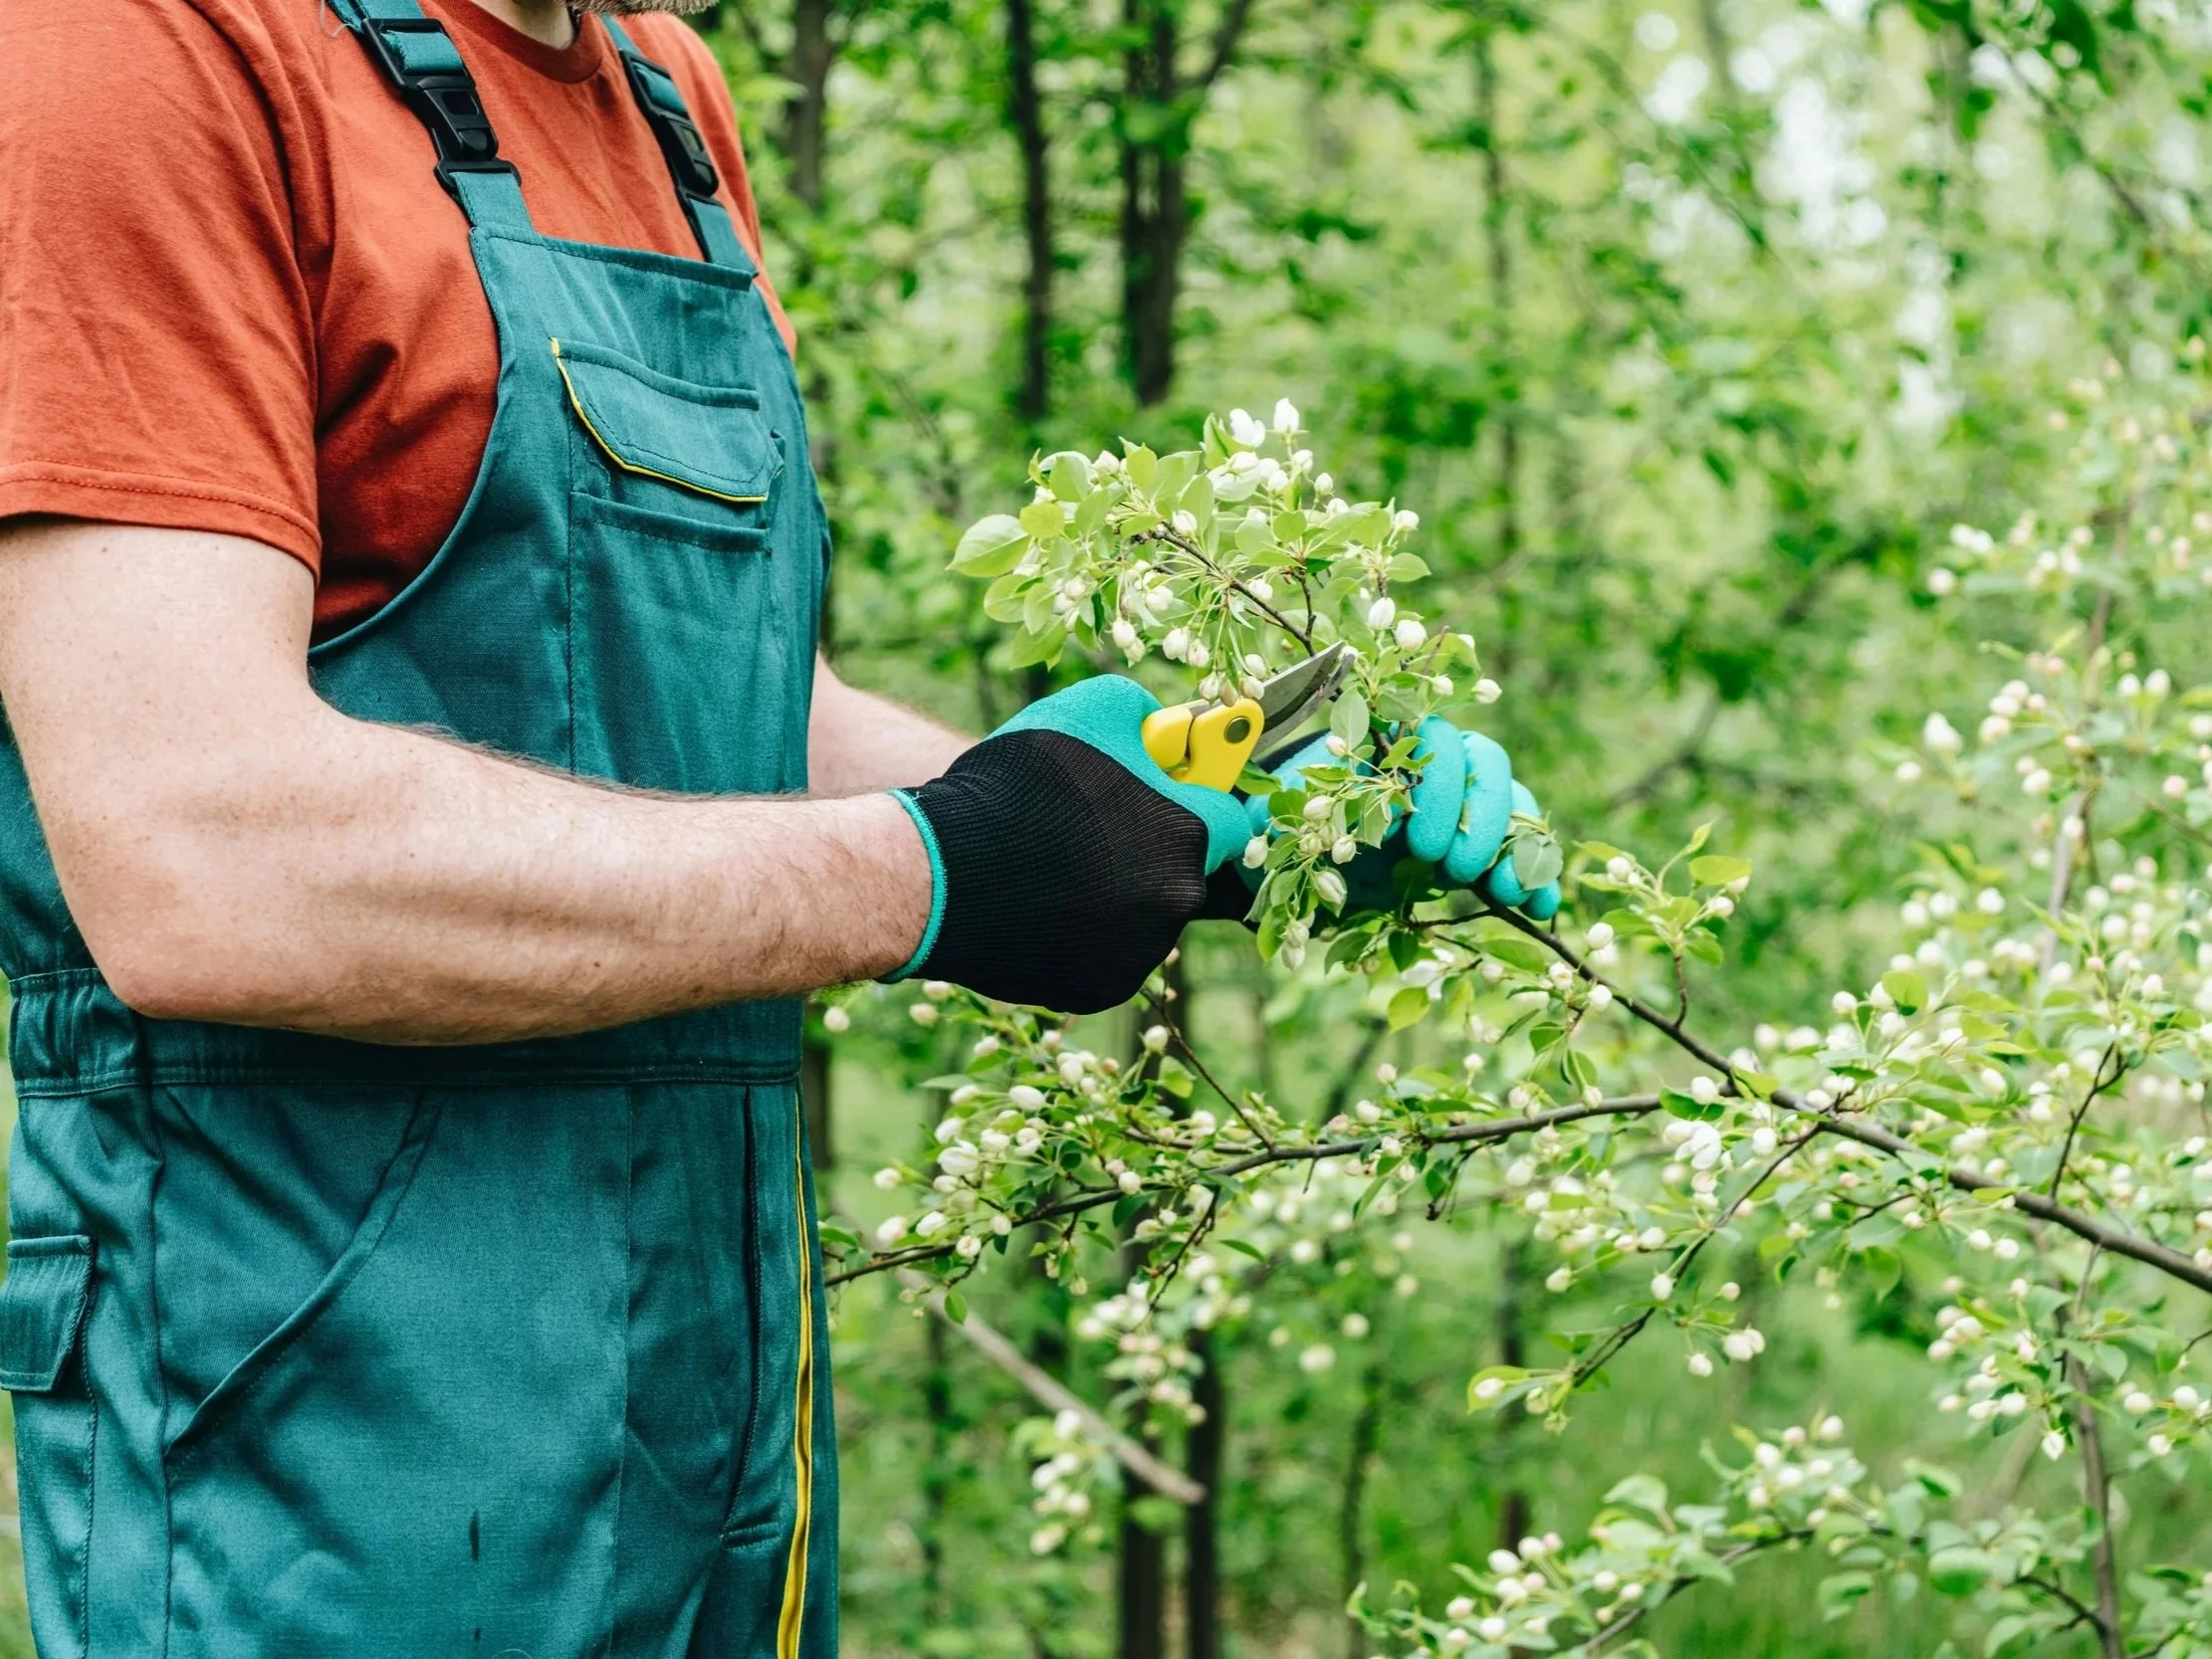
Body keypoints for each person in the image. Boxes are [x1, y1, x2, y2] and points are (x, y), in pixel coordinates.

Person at [0, 0, 1552, 1649]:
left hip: (713, 1417)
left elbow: (733, 718)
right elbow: (196, 852)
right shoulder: (142, 49)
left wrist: (1164, 814)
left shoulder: (664, 95)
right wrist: (941, 869)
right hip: (323, 1429)